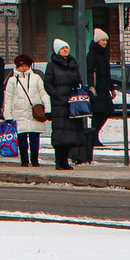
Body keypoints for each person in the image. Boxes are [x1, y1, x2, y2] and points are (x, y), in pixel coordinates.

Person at [42, 39, 85, 169]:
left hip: (72, 104)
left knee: (70, 134)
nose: (65, 50)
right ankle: (59, 161)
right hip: (59, 104)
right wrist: (56, 95)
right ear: (57, 50)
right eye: (62, 48)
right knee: (60, 133)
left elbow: (78, 80)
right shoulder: (52, 65)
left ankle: (65, 160)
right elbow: (47, 83)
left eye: (66, 47)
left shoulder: (73, 63)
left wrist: (78, 88)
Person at [2, 51, 46, 168]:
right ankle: (24, 160)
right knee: (21, 138)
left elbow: (43, 93)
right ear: (17, 67)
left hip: (34, 113)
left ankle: (35, 160)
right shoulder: (12, 80)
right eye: (21, 66)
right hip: (19, 113)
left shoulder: (36, 78)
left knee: (34, 137)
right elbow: (8, 98)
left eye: (26, 66)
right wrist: (8, 115)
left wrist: (48, 109)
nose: (24, 68)